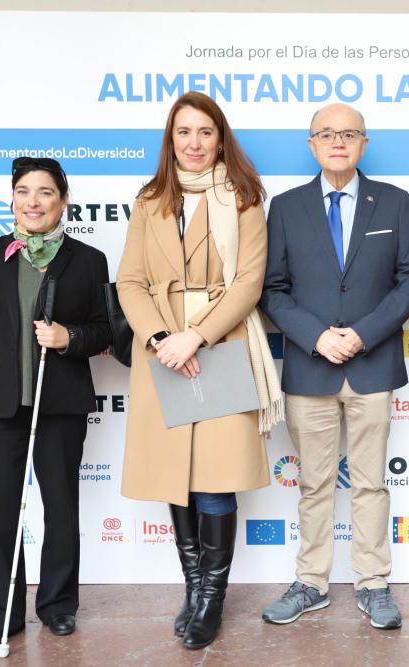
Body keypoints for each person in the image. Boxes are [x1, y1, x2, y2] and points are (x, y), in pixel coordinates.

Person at [116, 91, 282, 650]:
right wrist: (163, 338)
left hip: (220, 345)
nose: (193, 143)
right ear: (171, 139)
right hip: (161, 350)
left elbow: (248, 284)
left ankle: (212, 596)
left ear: (220, 138)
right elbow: (130, 282)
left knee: (214, 479)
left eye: (204, 132)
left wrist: (196, 335)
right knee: (176, 477)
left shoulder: (244, 198)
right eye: (183, 132)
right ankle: (193, 587)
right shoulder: (149, 200)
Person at [260, 103, 409, 630]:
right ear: (311, 145)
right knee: (314, 484)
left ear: (363, 143)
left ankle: (373, 582)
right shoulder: (286, 208)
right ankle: (311, 582)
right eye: (327, 134)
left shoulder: (394, 203)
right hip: (311, 369)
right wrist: (316, 337)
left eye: (349, 134)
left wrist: (361, 334)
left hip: (371, 366)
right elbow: (273, 289)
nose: (338, 142)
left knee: (372, 482)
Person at [0, 156, 111, 652]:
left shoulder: (87, 260)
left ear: (62, 201)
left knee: (60, 506)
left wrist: (68, 337)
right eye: (24, 191)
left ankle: (58, 606)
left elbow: (106, 330)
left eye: (45, 192)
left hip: (58, 404)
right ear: (11, 201)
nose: (33, 201)